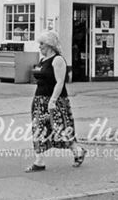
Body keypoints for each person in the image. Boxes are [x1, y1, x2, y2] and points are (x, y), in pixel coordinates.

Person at [25, 30, 86, 171]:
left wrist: (52, 101)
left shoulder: (58, 60)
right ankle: (39, 161)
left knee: (61, 129)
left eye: (42, 44)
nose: (39, 47)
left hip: (55, 101)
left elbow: (60, 82)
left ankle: (78, 150)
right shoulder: (43, 60)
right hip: (40, 100)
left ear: (50, 45)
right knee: (38, 129)